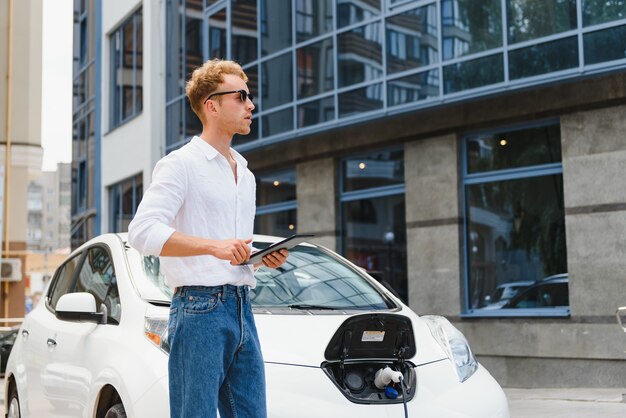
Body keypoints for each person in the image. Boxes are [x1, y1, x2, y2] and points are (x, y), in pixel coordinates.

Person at [128, 58, 288, 418]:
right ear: (211, 105)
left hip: (242, 306)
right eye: (241, 96)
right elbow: (142, 230)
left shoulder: (245, 173)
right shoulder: (180, 164)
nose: (251, 105)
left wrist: (260, 258)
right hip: (199, 310)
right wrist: (212, 247)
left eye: (250, 97)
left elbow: (232, 249)